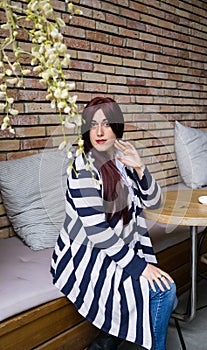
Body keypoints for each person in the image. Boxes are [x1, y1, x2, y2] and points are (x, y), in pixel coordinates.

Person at [51, 97, 176, 350]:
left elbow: (154, 202)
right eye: (93, 124)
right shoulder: (82, 168)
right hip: (87, 255)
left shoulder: (123, 161)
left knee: (162, 293)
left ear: (117, 127)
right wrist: (140, 267)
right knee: (164, 291)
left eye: (106, 124)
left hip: (122, 246)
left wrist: (141, 168)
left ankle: (107, 341)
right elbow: (97, 232)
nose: (99, 132)